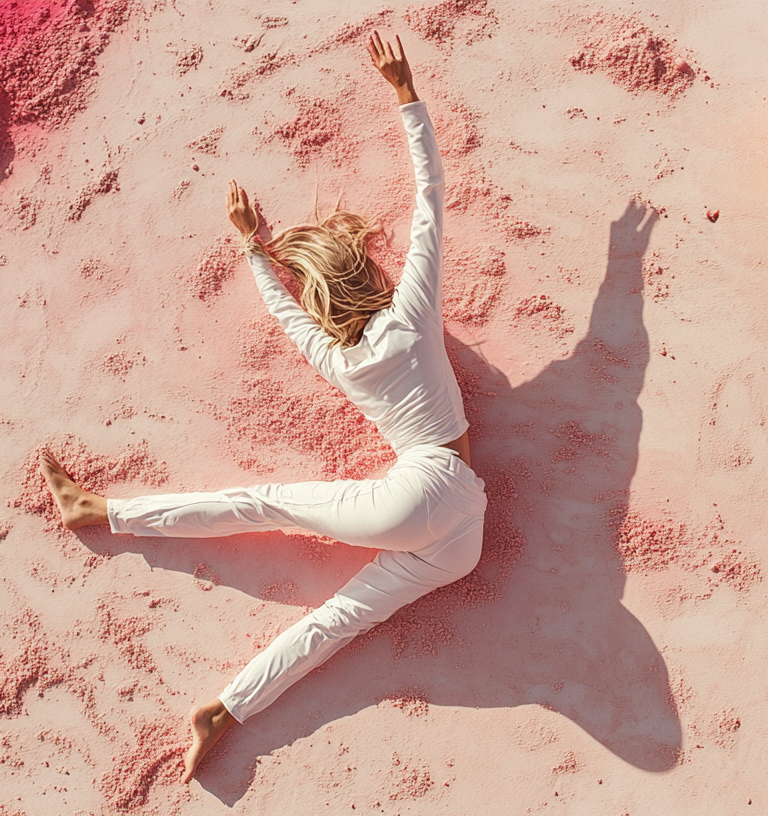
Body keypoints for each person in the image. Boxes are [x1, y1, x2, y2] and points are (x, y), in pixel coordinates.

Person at [35, 31, 486, 785]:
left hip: (429, 495)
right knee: (338, 622)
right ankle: (227, 709)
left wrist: (255, 248)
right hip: (463, 527)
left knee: (260, 505)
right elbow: (430, 199)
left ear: (326, 296)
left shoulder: (336, 358)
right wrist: (405, 90)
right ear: (367, 269)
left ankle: (101, 515)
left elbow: (286, 315)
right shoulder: (410, 314)